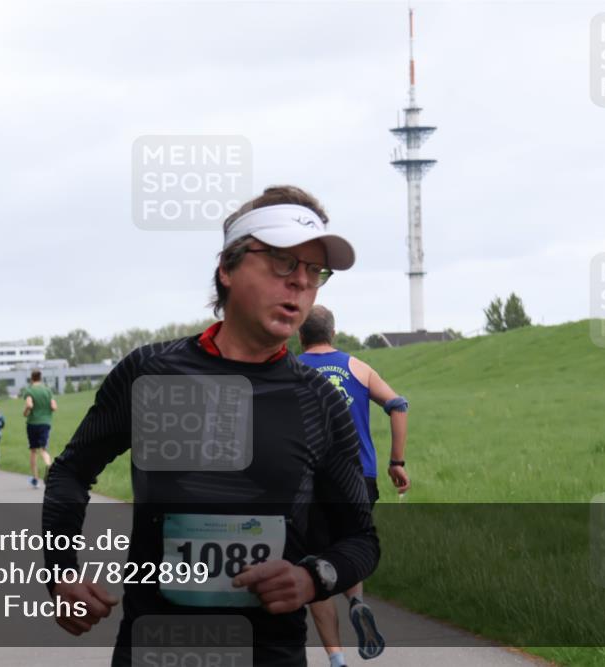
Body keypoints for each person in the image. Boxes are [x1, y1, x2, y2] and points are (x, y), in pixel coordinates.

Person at [42, 185, 379, 666]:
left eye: (314, 271)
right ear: (227, 267)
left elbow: (361, 539)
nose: (301, 283)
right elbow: (71, 471)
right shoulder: (152, 373)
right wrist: (60, 573)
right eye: (283, 262)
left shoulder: (319, 401)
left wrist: (312, 578)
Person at [298, 306, 410, 664]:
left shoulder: (290, 369)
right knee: (350, 545)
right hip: (359, 477)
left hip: (309, 479)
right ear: (332, 332)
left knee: (314, 563)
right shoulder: (357, 367)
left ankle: (337, 659)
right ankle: (357, 602)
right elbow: (398, 405)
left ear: (300, 334)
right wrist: (396, 462)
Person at [21, 369, 56, 488]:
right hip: (45, 423)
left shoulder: (29, 390)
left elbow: (29, 404)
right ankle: (49, 465)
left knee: (33, 450)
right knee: (44, 449)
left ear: (32, 378)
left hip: (32, 423)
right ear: (40, 378)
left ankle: (35, 479)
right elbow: (54, 406)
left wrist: (25, 412)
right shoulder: (47, 390)